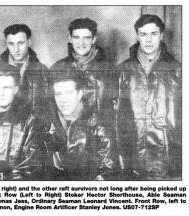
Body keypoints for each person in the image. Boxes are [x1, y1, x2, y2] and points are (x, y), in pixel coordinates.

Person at [116, 14, 182, 180]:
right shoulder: (122, 71)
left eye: (153, 34)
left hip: (169, 163)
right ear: (137, 36)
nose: (149, 40)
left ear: (162, 36)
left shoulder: (178, 70)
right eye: (143, 34)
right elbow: (116, 119)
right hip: (133, 162)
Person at [44, 65, 115, 180]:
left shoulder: (98, 127)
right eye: (58, 94)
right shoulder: (47, 127)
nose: (63, 100)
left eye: (68, 93)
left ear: (80, 93)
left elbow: (107, 173)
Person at [50, 18, 116, 128]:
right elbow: (51, 109)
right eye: (76, 38)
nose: (81, 43)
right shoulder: (57, 68)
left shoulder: (108, 70)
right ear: (70, 38)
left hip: (98, 136)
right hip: (67, 135)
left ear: (94, 39)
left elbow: (113, 111)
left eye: (86, 38)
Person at [0, 24, 49, 119]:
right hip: (2, 127)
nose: (16, 49)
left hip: (33, 128)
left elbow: (49, 107)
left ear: (29, 42)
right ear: (6, 44)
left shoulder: (42, 71)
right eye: (11, 44)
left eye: (20, 43)